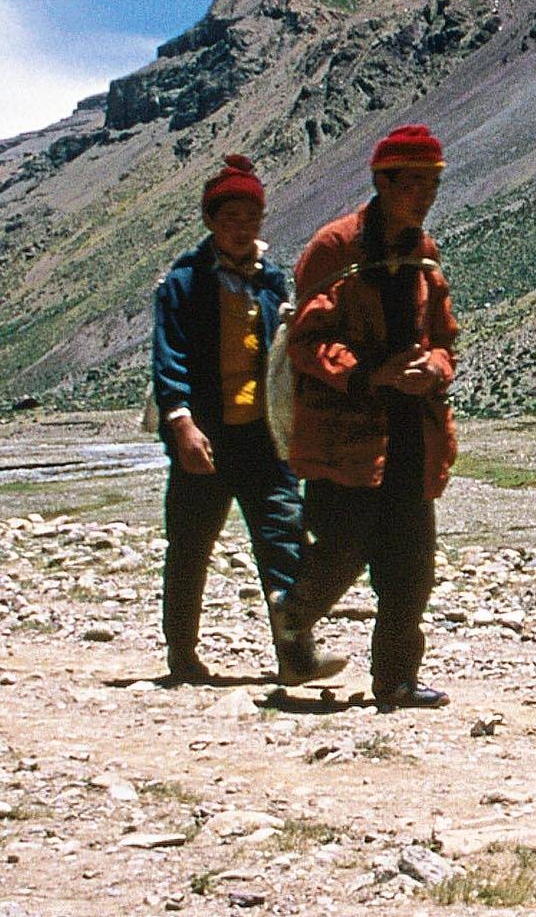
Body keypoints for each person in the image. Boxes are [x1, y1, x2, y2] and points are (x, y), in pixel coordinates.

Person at [281, 122, 459, 707]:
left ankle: (396, 680)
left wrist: (434, 367)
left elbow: (445, 338)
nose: (425, 196)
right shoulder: (333, 249)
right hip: (344, 435)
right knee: (342, 550)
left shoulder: (424, 253)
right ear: (382, 183)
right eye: (414, 184)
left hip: (411, 431)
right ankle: (293, 614)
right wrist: (370, 373)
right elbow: (307, 341)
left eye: (432, 185)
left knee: (412, 565)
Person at [149, 153, 309, 687]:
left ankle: (294, 653)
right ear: (211, 221)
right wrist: (182, 425)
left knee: (284, 536)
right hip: (205, 436)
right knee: (191, 544)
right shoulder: (182, 283)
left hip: (262, 435)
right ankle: (182, 653)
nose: (242, 229)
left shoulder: (271, 283)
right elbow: (169, 359)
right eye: (231, 218)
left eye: (252, 219)